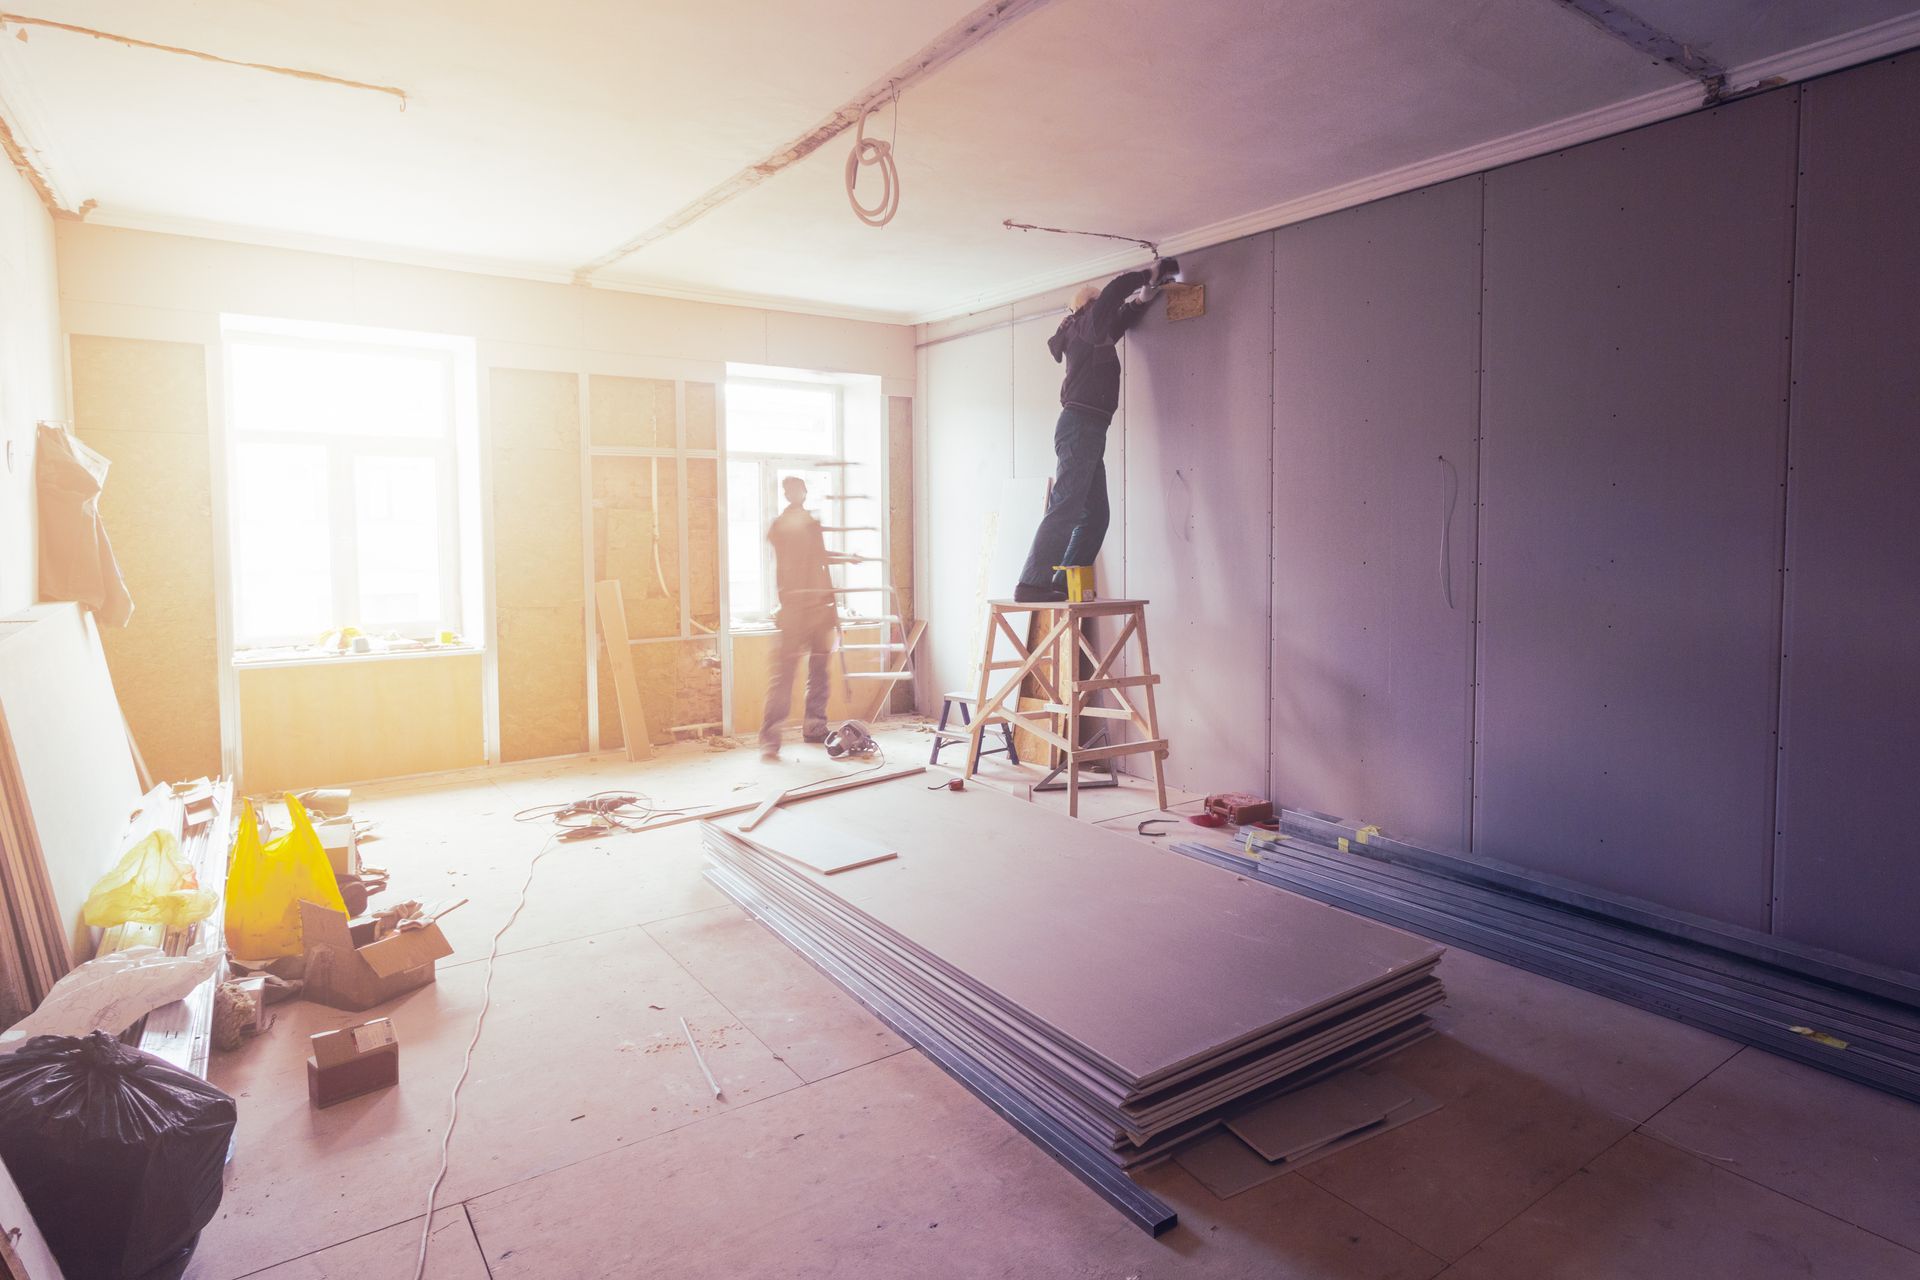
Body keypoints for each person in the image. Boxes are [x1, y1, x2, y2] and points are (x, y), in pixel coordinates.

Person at [1014, 257, 1180, 602]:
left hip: (1089, 429)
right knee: (1066, 506)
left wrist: (1145, 297)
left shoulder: (1092, 334)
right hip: (1079, 427)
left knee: (1096, 515)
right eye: (1099, 305)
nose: (1106, 310)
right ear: (1089, 307)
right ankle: (1031, 583)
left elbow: (1121, 316)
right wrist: (1148, 274)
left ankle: (1061, 582)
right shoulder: (1087, 325)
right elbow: (1114, 296)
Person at [760, 476, 838, 759]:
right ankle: (770, 739)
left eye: (799, 489)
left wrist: (845, 557)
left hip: (818, 608)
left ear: (805, 492)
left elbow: (820, 556)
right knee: (785, 675)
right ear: (785, 494)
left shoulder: (809, 523)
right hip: (794, 611)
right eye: (789, 490)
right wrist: (808, 526)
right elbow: (789, 546)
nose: (795, 494)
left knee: (819, 671)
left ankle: (815, 727)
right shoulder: (781, 526)